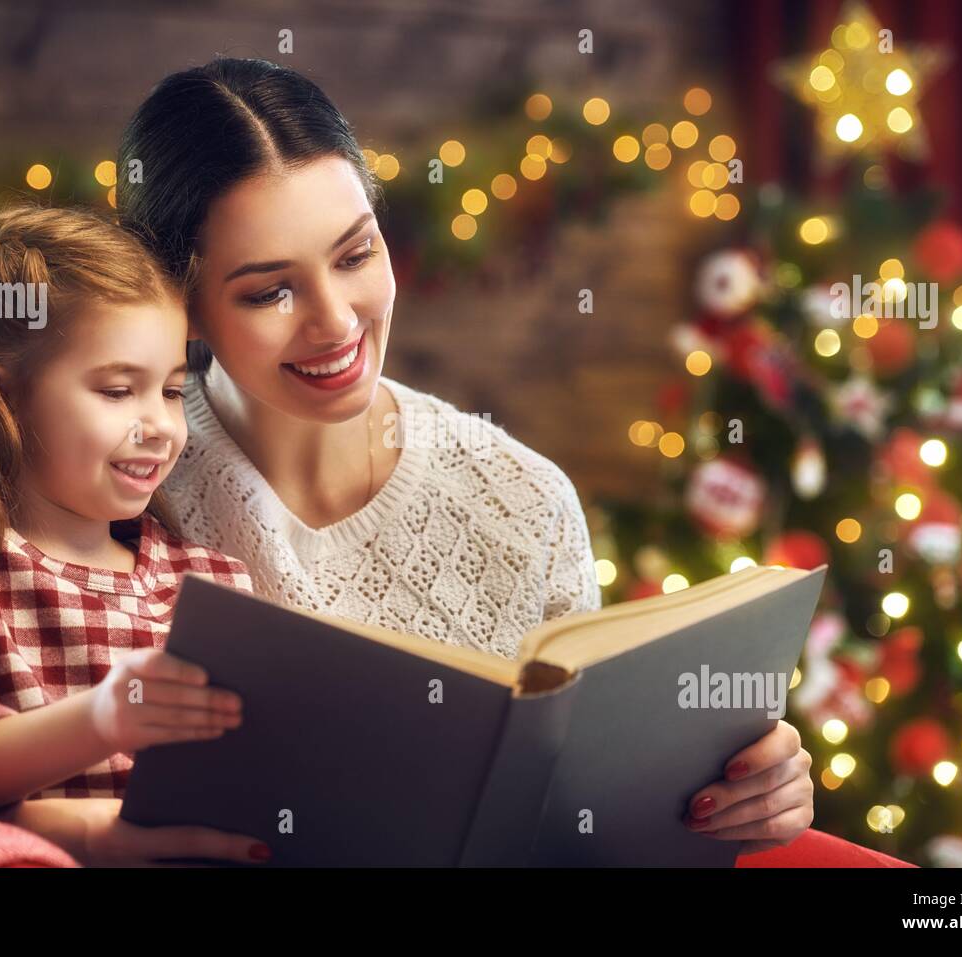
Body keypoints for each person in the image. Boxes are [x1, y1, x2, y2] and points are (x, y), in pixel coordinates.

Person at [114, 56, 815, 856]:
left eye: (354, 255)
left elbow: (593, 803)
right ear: (183, 304)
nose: (337, 323)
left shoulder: (523, 500)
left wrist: (748, 783)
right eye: (271, 291)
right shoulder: (120, 481)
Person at [0, 204, 273, 866]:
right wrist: (98, 725)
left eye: (172, 390)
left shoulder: (210, 583)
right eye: (118, 390)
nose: (160, 425)